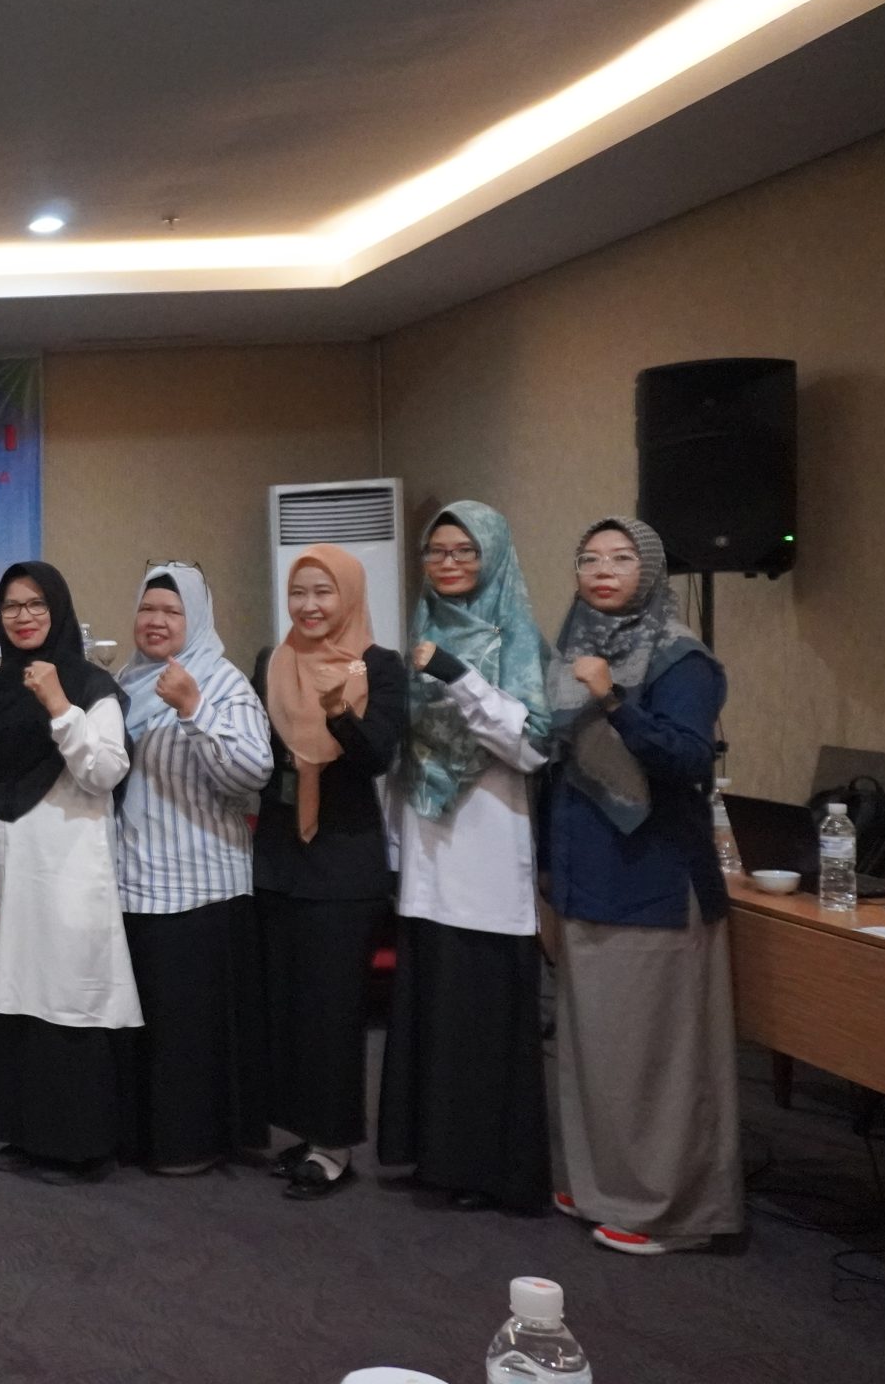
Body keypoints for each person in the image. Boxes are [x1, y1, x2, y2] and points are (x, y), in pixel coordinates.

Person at [543, 517, 743, 1255]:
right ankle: (602, 1184)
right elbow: (560, 767)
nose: (603, 570)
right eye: (589, 558)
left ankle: (669, 1211)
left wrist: (615, 702)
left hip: (655, 879)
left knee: (655, 1057)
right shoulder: (574, 647)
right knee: (594, 1047)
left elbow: (689, 758)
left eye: (621, 558)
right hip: (586, 872)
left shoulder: (679, 657)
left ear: (649, 571)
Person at [377, 503, 553, 1214]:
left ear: (493, 556)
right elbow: (408, 754)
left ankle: (486, 1170)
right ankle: (435, 1157)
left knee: (479, 1022)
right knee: (433, 1015)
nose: (448, 563)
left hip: (486, 853)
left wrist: (458, 676)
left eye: (464, 551)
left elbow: (533, 745)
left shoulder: (517, 637)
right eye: (437, 551)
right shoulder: (422, 628)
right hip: (427, 854)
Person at [0, 562, 138, 1183]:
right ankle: (26, 1136)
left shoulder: (91, 685)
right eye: (11, 605)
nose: (23, 616)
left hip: (65, 870)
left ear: (58, 610)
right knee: (11, 1000)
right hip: (0, 869)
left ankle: (80, 1147)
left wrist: (58, 705)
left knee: (65, 1000)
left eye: (35, 604)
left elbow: (104, 771)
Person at [252, 546, 406, 1201]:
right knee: (287, 1005)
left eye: (323, 592)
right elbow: (257, 753)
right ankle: (304, 1132)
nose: (310, 606)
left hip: (343, 861)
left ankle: (335, 1146)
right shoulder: (272, 661)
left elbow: (378, 758)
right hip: (280, 857)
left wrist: (341, 713)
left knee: (332, 1009)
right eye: (299, 593)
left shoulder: (380, 665)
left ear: (348, 596)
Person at [111, 562, 275, 1175]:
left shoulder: (221, 681)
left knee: (189, 1030)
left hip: (200, 885)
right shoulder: (123, 683)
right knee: (146, 1023)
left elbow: (252, 774)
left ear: (196, 620)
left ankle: (193, 1143)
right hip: (134, 882)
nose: (156, 621)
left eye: (172, 611)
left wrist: (193, 709)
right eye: (147, 608)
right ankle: (144, 1138)